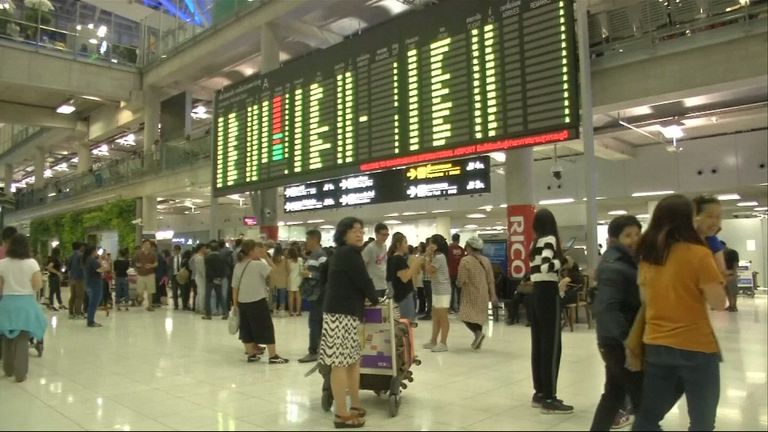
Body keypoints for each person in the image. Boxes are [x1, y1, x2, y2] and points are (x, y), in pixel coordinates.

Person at [631, 194, 725, 431]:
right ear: (688, 219)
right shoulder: (699, 254)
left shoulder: (647, 256)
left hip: (656, 345)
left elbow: (645, 299)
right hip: (696, 348)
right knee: (702, 421)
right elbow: (719, 303)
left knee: (648, 416)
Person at [320, 217, 379, 428]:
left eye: (361, 230)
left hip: (347, 313)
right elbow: (364, 280)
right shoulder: (348, 253)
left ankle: (355, 405)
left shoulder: (343, 254)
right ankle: (341, 415)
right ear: (343, 233)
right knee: (339, 364)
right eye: (354, 230)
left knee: (353, 361)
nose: (359, 233)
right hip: (339, 315)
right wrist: (375, 298)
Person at [589, 215, 644, 431]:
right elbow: (607, 309)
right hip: (619, 343)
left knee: (614, 394)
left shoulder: (625, 261)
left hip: (614, 340)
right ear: (614, 239)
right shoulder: (614, 266)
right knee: (643, 400)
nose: (634, 239)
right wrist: (628, 342)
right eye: (628, 235)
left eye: (637, 234)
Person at [529, 208, 573, 414]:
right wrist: (564, 261)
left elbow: (535, 268)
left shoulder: (534, 242)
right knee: (552, 345)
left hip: (536, 293)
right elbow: (547, 267)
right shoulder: (550, 240)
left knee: (538, 343)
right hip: (548, 293)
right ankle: (550, 397)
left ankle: (539, 392)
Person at [232, 240, 289, 364]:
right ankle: (273, 356)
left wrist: (235, 304)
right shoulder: (257, 265)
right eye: (257, 249)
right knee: (266, 327)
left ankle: (251, 354)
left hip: (242, 302)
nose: (260, 251)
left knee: (246, 328)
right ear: (252, 251)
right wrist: (266, 258)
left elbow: (235, 287)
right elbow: (275, 272)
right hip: (257, 300)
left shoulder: (238, 265)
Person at [0, 233, 47, 382]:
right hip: (25, 302)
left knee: (7, 336)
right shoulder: (32, 263)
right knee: (22, 337)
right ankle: (20, 373)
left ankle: (8, 369)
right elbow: (37, 284)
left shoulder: (2, 263)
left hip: (7, 302)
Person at [456, 236, 496, 350]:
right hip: (483, 293)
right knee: (479, 317)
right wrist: (493, 295)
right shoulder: (486, 260)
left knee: (464, 315)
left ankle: (478, 334)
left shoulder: (465, 260)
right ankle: (477, 340)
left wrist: (458, 284)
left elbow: (461, 279)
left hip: (470, 293)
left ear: (469, 247)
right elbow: (491, 280)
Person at [298, 230, 328, 363]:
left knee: (315, 322)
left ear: (314, 239)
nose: (306, 242)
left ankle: (313, 351)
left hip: (319, 295)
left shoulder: (320, 255)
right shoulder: (313, 255)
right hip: (314, 294)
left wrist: (309, 275)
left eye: (308, 239)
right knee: (316, 322)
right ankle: (319, 349)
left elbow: (325, 275)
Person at [423, 234, 452, 352]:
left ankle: (443, 342)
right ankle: (433, 340)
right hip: (436, 289)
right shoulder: (436, 257)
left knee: (442, 317)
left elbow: (429, 270)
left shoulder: (440, 257)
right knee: (435, 316)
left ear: (436, 245)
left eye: (431, 243)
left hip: (443, 291)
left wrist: (427, 257)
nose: (429, 246)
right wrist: (428, 257)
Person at [386, 232, 424, 321]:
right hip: (404, 296)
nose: (407, 245)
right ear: (398, 245)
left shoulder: (393, 259)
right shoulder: (397, 259)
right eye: (405, 243)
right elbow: (405, 277)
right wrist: (416, 264)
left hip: (401, 294)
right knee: (407, 322)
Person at [362, 223, 389, 297]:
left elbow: (383, 264)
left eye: (387, 235)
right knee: (375, 308)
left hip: (383, 284)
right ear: (376, 234)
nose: (385, 237)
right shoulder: (370, 248)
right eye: (383, 234)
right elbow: (362, 265)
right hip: (374, 285)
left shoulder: (384, 246)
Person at [203, 241, 228, 320]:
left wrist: (212, 278)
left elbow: (208, 270)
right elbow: (224, 269)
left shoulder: (207, 258)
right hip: (219, 279)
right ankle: (225, 312)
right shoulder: (222, 257)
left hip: (210, 280)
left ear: (210, 249)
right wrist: (220, 277)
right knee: (220, 296)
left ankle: (208, 314)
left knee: (208, 296)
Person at [83, 245, 106, 327]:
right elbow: (101, 269)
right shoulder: (92, 260)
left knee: (92, 302)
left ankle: (90, 319)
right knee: (93, 303)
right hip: (95, 283)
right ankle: (90, 321)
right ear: (93, 251)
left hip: (89, 283)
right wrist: (102, 263)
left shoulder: (87, 260)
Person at [134, 239, 158, 311]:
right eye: (145, 244)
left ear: (150, 246)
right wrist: (137, 265)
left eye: (148, 244)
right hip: (140, 274)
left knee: (150, 291)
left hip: (150, 274)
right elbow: (135, 263)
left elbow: (156, 263)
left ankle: (150, 306)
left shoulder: (153, 254)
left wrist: (151, 265)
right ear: (143, 245)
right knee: (139, 291)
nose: (147, 246)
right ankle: (140, 298)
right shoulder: (138, 254)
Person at [447, 233, 466, 313]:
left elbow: (447, 260)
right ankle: (459, 306)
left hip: (450, 273)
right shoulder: (462, 250)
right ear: (459, 239)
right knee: (459, 292)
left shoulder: (448, 249)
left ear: (452, 239)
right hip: (459, 273)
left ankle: (450, 307)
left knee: (450, 291)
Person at [269, 245, 290, 315]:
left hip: (273, 280)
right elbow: (288, 270)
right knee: (282, 296)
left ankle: (274, 310)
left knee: (274, 296)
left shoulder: (272, 259)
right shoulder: (285, 259)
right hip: (282, 280)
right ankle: (282, 311)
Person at [67, 242, 86, 319]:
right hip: (80, 278)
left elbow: (68, 267)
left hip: (72, 278)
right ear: (80, 247)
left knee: (73, 295)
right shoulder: (81, 255)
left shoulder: (71, 256)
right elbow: (83, 266)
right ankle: (78, 313)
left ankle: (71, 313)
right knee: (80, 296)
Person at [722, 241, 740, 312]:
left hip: (731, 273)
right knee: (727, 291)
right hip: (724, 274)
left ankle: (734, 306)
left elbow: (735, 263)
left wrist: (735, 273)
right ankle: (730, 305)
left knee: (733, 291)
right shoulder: (722, 253)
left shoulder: (733, 253)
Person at [286, 246, 304, 317]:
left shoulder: (288, 261)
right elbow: (301, 271)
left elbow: (288, 271)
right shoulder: (300, 260)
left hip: (290, 279)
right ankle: (298, 311)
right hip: (298, 279)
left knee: (290, 296)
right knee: (298, 296)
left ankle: (291, 312)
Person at [191, 243, 208, 313]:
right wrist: (205, 277)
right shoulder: (200, 258)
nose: (206, 250)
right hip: (201, 277)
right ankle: (201, 308)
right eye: (205, 248)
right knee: (202, 293)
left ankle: (197, 307)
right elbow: (202, 270)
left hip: (196, 276)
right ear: (201, 249)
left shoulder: (195, 257)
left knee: (198, 293)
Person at [169, 244, 183, 310]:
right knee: (174, 291)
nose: (176, 252)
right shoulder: (171, 258)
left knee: (183, 290)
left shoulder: (182, 257)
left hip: (181, 276)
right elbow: (169, 267)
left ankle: (184, 304)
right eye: (175, 250)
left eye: (177, 250)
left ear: (180, 250)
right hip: (174, 275)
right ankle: (176, 305)